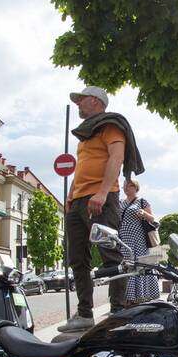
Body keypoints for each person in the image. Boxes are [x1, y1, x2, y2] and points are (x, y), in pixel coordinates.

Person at [61, 86, 142, 331]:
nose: (78, 104)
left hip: (101, 199)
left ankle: (117, 310)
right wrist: (70, 195)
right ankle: (84, 314)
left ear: (96, 101)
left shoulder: (110, 125)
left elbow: (115, 159)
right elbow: (82, 168)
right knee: (77, 259)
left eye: (81, 99)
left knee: (112, 255)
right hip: (78, 201)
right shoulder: (86, 134)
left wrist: (103, 192)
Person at [119, 178, 160, 305]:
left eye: (130, 185)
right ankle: (128, 297)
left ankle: (142, 295)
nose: (126, 188)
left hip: (139, 239)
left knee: (141, 265)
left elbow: (154, 220)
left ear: (136, 187)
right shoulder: (120, 203)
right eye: (125, 185)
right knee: (128, 265)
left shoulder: (142, 201)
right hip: (124, 238)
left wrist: (144, 214)